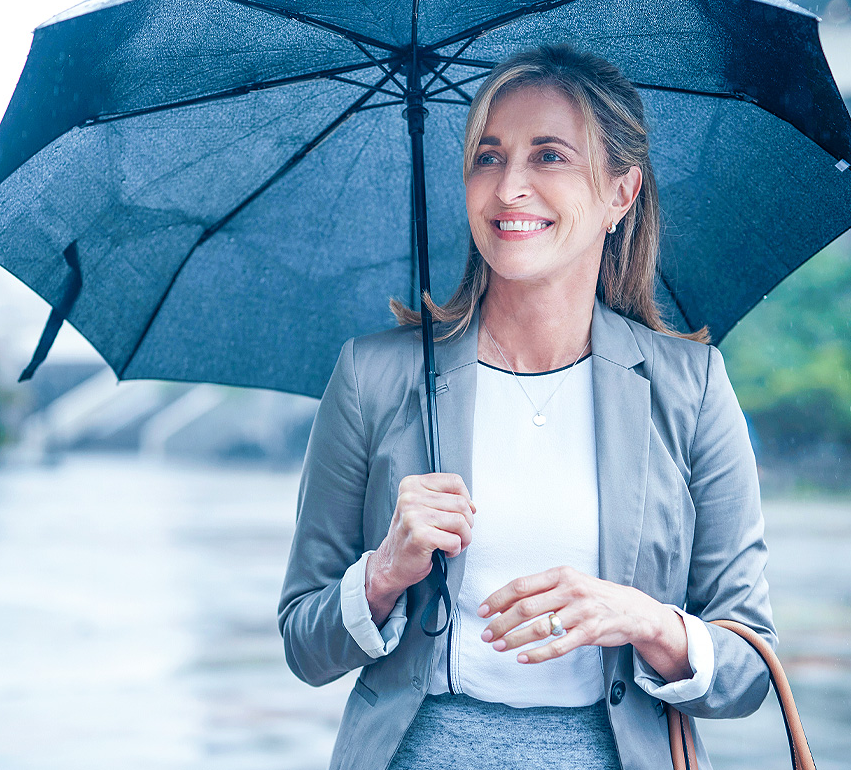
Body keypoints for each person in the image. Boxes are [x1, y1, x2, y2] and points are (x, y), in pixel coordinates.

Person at [278, 45, 774, 770]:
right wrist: (383, 573)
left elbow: (749, 666)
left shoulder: (689, 386)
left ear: (620, 194)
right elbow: (303, 643)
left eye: (548, 156)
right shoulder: (373, 377)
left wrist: (642, 620)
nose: (509, 187)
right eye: (488, 157)